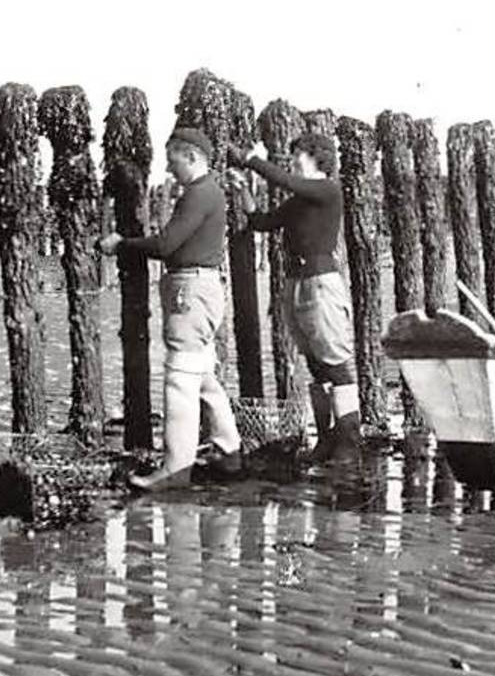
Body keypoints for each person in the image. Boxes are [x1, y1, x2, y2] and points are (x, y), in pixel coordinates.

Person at [100, 126, 243, 491]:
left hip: (190, 289)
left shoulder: (198, 194)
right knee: (203, 375)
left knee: (181, 376)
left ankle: (175, 470)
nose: (169, 169)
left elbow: (166, 244)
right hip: (203, 286)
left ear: (192, 156)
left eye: (173, 160)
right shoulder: (209, 191)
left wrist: (122, 244)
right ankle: (229, 450)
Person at [232, 132, 361, 462]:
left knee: (335, 363)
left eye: (297, 155)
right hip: (297, 282)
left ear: (316, 157)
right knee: (317, 364)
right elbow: (262, 223)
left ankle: (348, 443)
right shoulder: (301, 198)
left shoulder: (327, 189)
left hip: (320, 282)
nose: (292, 161)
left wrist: (252, 160)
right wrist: (243, 190)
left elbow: (286, 180)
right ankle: (326, 441)